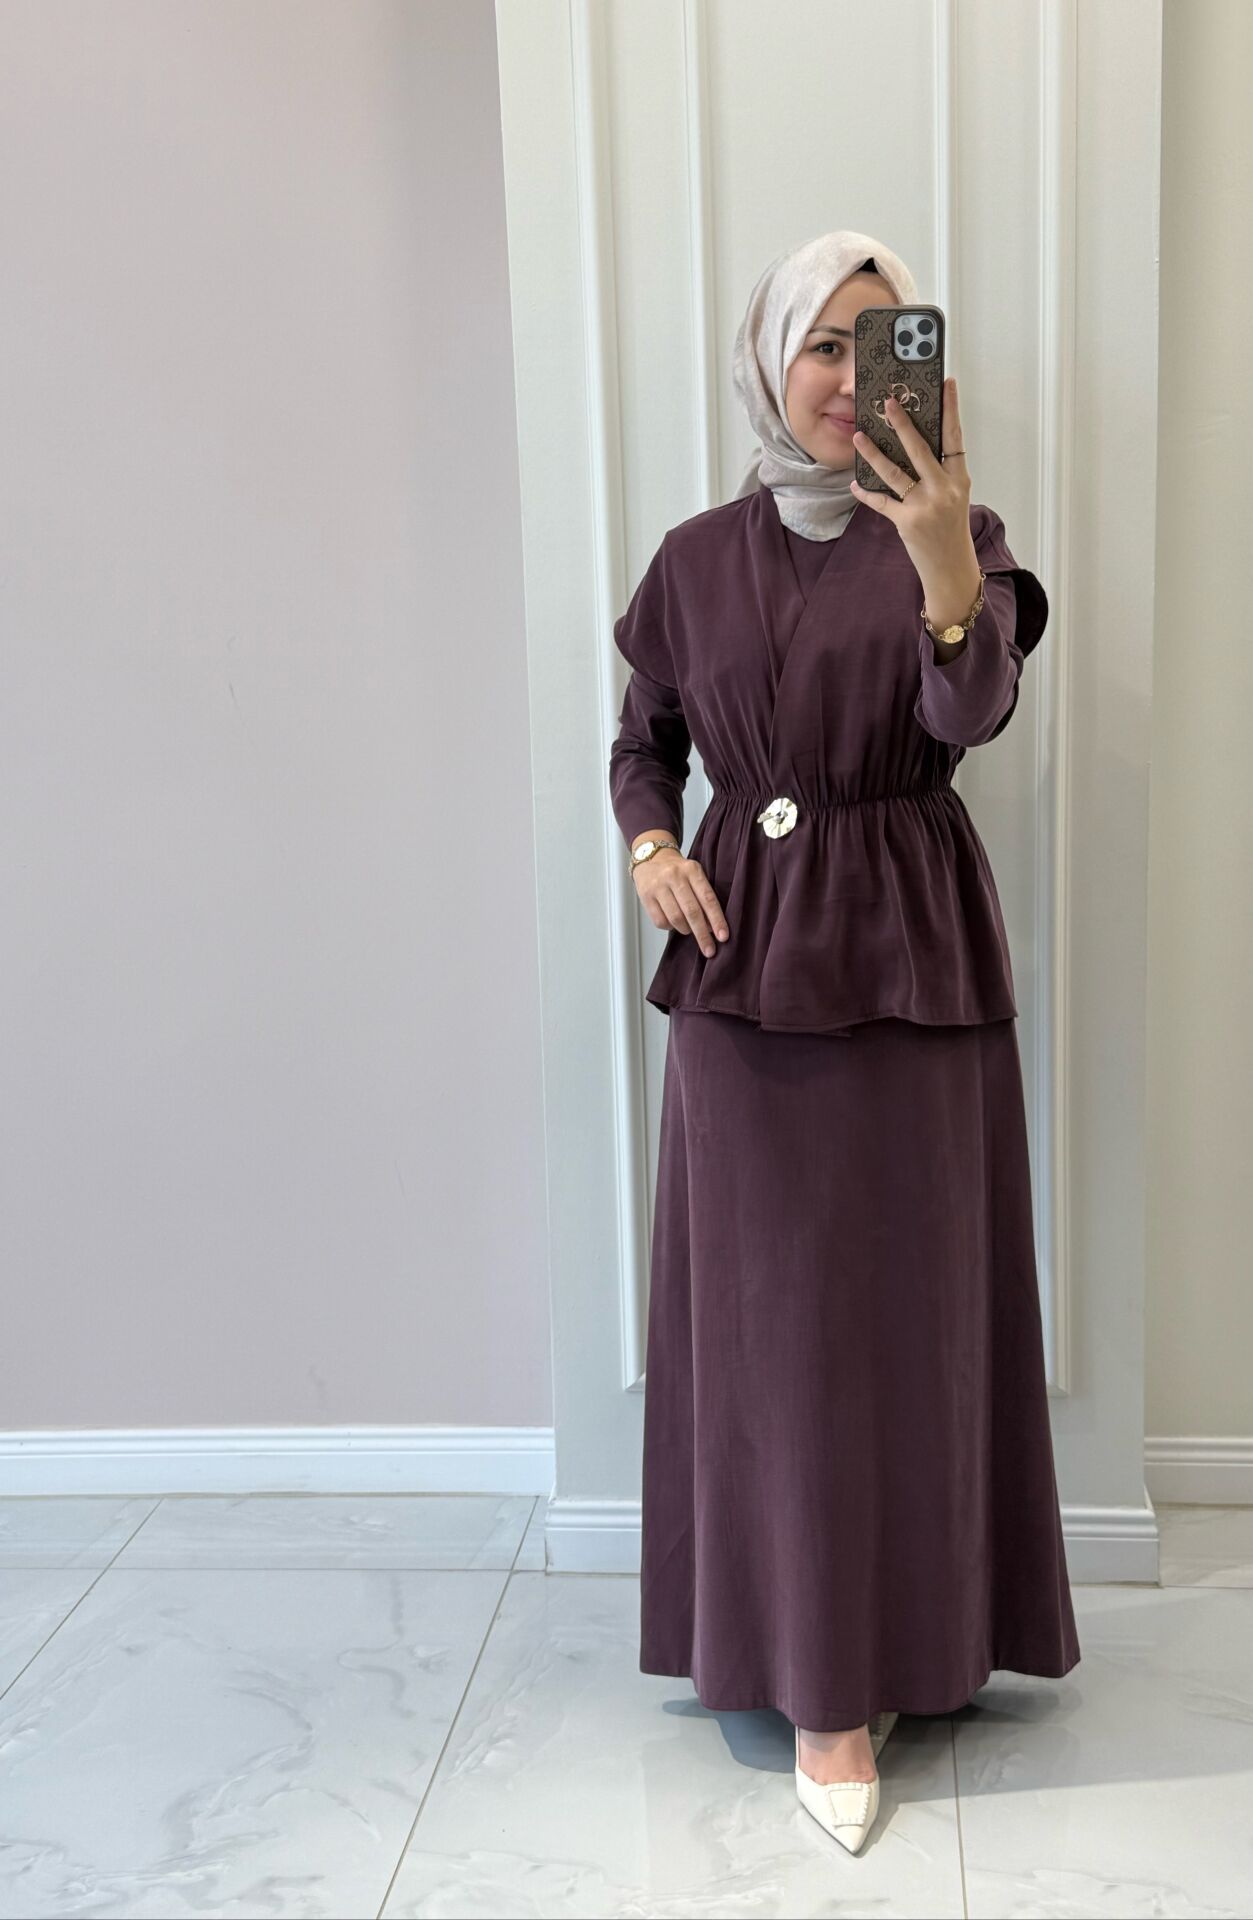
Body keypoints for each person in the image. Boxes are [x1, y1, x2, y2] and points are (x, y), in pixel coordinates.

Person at [607, 229, 1080, 1856]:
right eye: (822, 342)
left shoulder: (964, 536)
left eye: (882, 344)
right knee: (768, 1325)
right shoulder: (692, 558)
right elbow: (641, 740)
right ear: (769, 361)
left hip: (908, 955)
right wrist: (647, 847)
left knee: (908, 1313)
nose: (846, 377)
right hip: (740, 965)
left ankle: (916, 1639)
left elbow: (968, 716)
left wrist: (945, 567)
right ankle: (807, 1672)